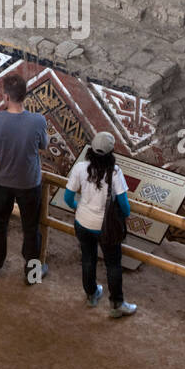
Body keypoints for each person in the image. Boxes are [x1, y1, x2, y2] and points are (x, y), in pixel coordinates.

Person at [64, 131, 136, 318]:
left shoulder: (80, 168)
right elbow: (124, 205)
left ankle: (91, 295)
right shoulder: (115, 173)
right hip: (105, 228)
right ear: (111, 152)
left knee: (88, 258)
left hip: (82, 223)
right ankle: (117, 305)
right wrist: (124, 216)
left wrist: (79, 208)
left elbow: (68, 198)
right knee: (113, 264)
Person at [0, 72, 48, 282]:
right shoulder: (38, 121)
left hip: (2, 181)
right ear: (24, 95)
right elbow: (44, 145)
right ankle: (33, 274)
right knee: (31, 228)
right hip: (29, 183)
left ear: (6, 97)